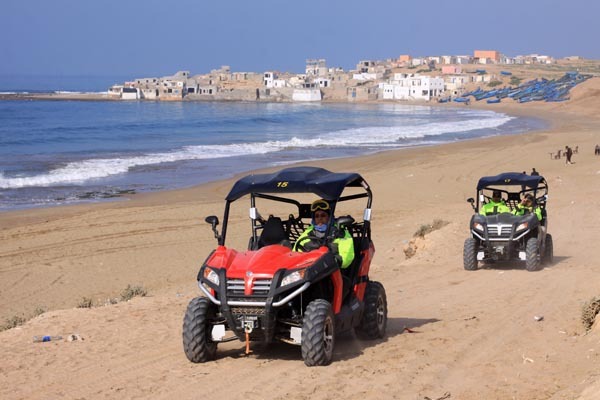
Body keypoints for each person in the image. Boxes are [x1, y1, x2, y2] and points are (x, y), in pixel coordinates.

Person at [293, 199, 355, 269]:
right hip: (311, 271)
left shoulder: (340, 233)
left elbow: (346, 257)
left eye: (323, 215)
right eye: (317, 216)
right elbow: (295, 253)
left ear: (329, 217)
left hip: (334, 271)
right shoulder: (308, 233)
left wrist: (331, 262)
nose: (320, 218)